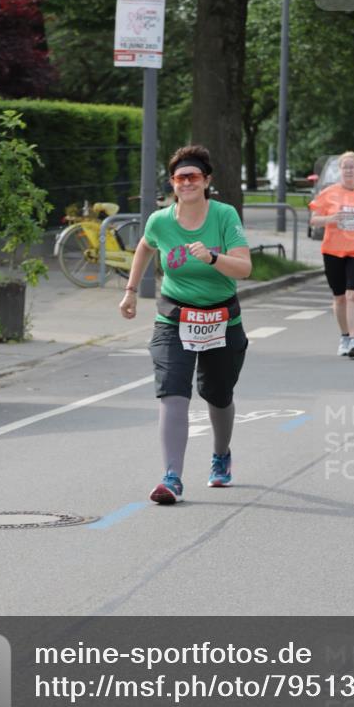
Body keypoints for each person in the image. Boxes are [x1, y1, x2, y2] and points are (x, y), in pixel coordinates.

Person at [119, 145, 251, 505]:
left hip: (221, 318)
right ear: (173, 183)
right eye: (180, 178)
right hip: (174, 318)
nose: (186, 183)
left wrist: (212, 257)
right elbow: (145, 246)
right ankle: (171, 477)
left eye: (193, 177)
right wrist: (131, 291)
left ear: (206, 181)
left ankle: (221, 455)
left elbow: (244, 268)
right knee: (172, 391)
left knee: (218, 394)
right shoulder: (160, 221)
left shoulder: (223, 216)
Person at [309, 152, 354, 358]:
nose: (348, 170)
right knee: (339, 298)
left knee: (353, 294)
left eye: (352, 167)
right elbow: (314, 220)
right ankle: (345, 336)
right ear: (340, 170)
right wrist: (330, 218)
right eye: (345, 167)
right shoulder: (328, 193)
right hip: (333, 250)